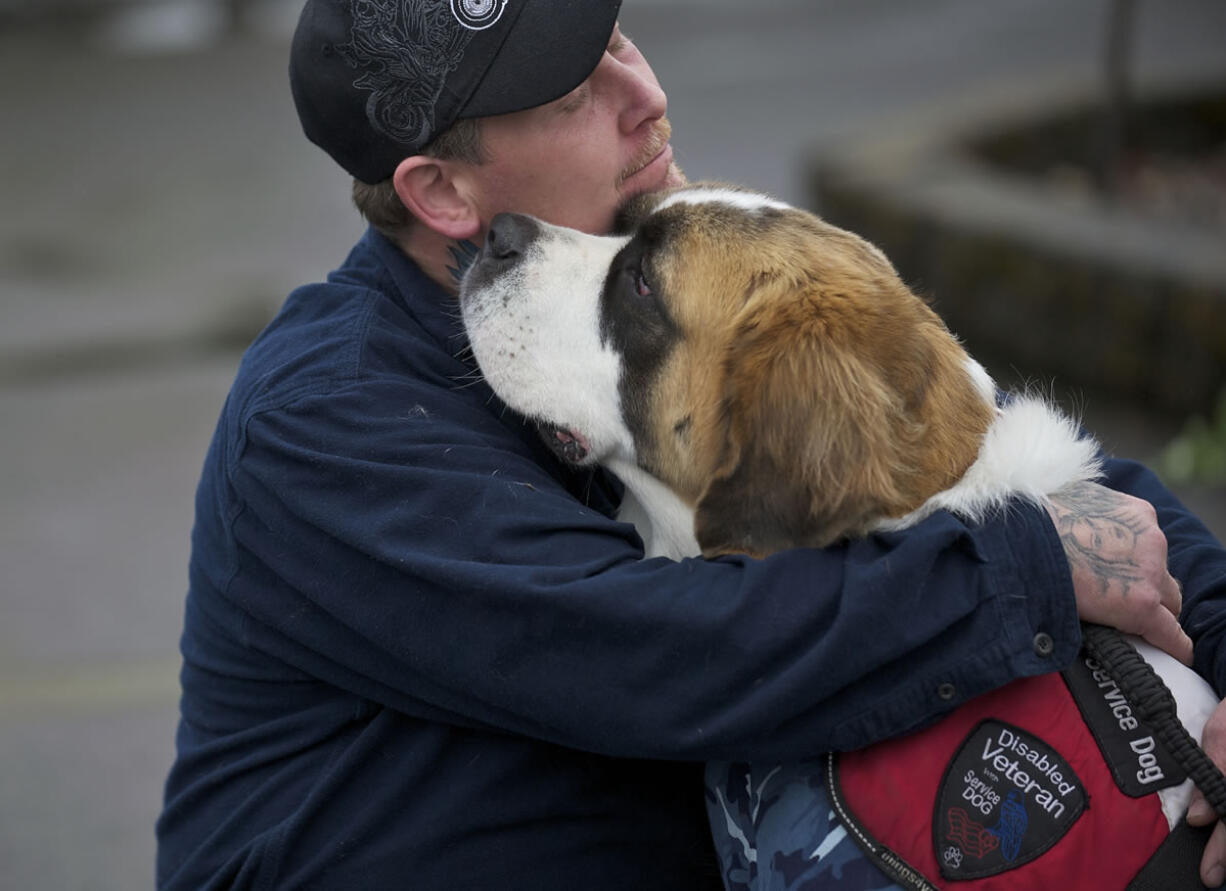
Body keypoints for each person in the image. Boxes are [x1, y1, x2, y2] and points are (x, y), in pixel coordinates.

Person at [155, 1, 1226, 888]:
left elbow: (960, 449)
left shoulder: (666, 252)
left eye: (614, 34)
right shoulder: (325, 421)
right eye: (574, 93)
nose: (643, 97)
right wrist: (1025, 571)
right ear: (440, 193)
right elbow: (654, 654)